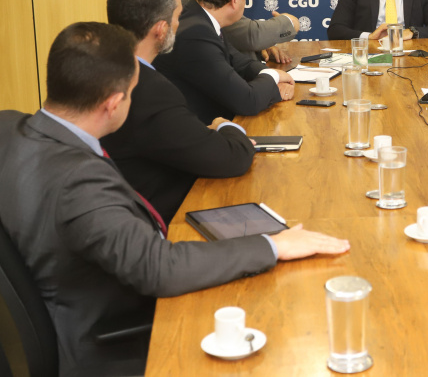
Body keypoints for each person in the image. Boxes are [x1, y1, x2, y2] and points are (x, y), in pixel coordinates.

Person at [0, 22, 349, 376]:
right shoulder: (78, 182)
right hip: (110, 340)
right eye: (132, 93)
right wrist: (274, 246)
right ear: (114, 104)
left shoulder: (8, 128)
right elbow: (158, 268)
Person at [102, 0, 255, 223]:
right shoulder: (149, 90)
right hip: (164, 225)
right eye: (177, 16)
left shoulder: (100, 68)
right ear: (161, 30)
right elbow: (232, 157)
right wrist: (227, 127)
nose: (179, 23)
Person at [154, 0, 296, 124]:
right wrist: (273, 78)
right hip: (199, 132)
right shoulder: (195, 34)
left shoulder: (199, 17)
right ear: (235, 0)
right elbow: (247, 100)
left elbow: (241, 63)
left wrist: (270, 75)